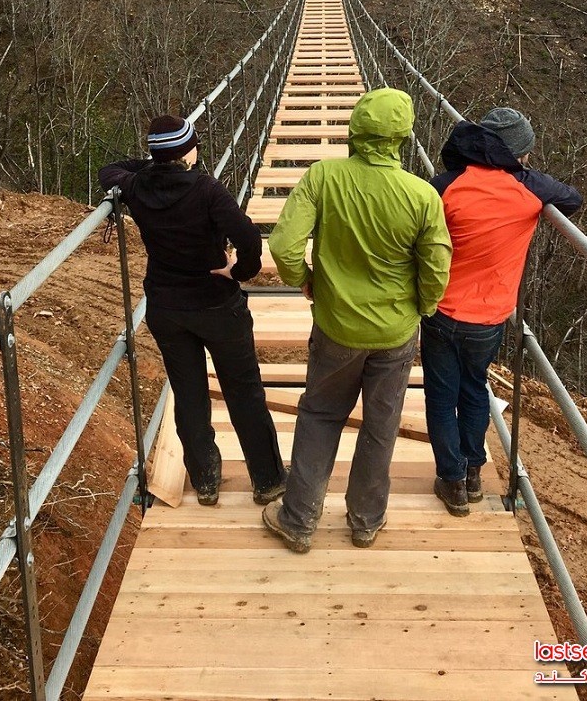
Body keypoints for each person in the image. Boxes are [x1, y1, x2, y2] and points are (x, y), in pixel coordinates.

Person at [263, 88, 453, 553]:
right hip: (395, 331)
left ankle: (300, 518)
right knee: (381, 424)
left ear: (354, 131)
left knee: (321, 415)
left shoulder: (322, 177)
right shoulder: (422, 195)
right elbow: (437, 268)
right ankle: (366, 521)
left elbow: (283, 245)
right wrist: (422, 308)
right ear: (404, 138)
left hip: (336, 327)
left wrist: (304, 279)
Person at [99, 115, 285, 507]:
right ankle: (267, 481)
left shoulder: (136, 186)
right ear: (188, 150)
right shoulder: (207, 190)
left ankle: (205, 481)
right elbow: (250, 238)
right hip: (216, 303)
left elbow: (109, 170)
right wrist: (240, 271)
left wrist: (153, 164)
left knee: (189, 394)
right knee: (244, 392)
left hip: (167, 308)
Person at [423, 106, 582, 517]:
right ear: (515, 153)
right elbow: (573, 199)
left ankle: (452, 481)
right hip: (489, 317)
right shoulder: (529, 188)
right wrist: (527, 177)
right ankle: (475, 473)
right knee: (474, 389)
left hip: (439, 311)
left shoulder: (446, 185)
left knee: (441, 396)